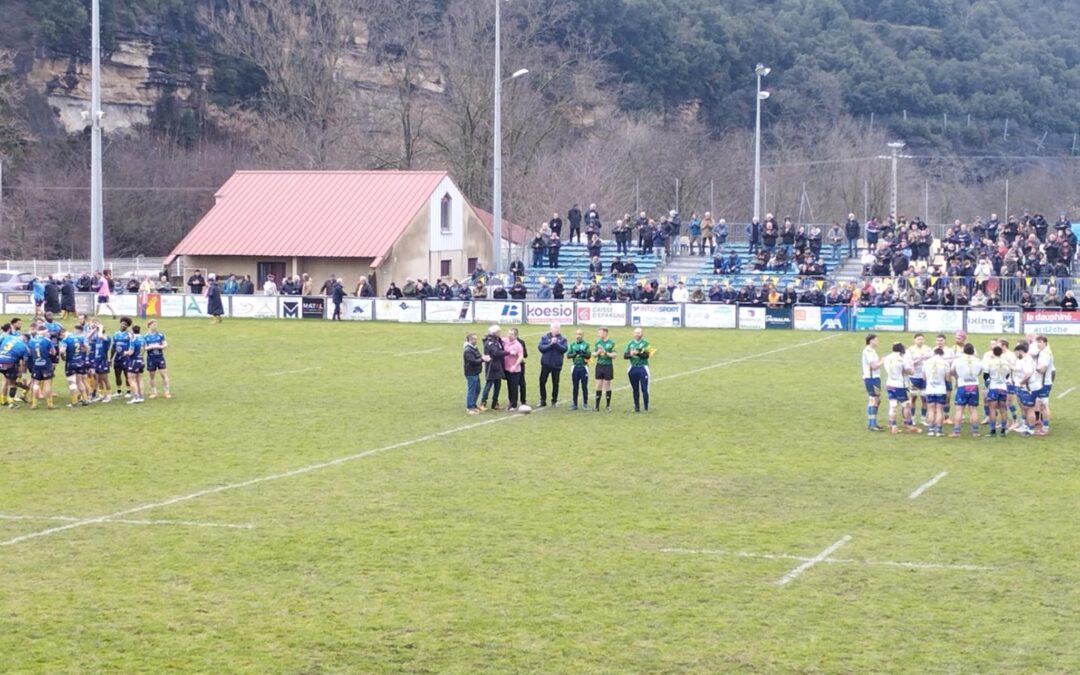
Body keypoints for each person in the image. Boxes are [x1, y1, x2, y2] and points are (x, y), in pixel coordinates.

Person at [882, 342, 920, 434]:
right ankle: (909, 425)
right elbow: (909, 372)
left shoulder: (887, 358)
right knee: (906, 405)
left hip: (889, 383)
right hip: (899, 385)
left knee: (893, 405)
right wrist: (912, 366)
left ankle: (893, 425)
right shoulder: (901, 359)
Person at [950, 343, 982, 437]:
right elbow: (980, 372)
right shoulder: (977, 360)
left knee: (959, 409)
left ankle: (956, 431)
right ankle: (975, 431)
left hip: (962, 385)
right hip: (973, 385)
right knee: (973, 409)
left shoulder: (958, 360)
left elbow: (952, 371)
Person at [537, 322, 568, 407]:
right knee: (542, 381)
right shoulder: (544, 337)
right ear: (550, 329)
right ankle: (543, 400)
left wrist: (556, 343)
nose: (556, 330)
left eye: (557, 328)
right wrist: (550, 344)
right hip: (546, 364)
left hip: (556, 364)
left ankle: (554, 400)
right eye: (554, 328)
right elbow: (541, 348)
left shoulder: (563, 339)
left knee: (555, 382)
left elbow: (564, 349)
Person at [59, 324, 90, 407]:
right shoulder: (81, 338)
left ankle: (74, 402)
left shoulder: (66, 340)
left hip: (71, 363)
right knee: (79, 381)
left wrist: (63, 357)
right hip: (80, 362)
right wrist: (82, 353)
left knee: (72, 382)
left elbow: (62, 351)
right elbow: (86, 348)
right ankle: (85, 399)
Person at [27, 326, 57, 409]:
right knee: (47, 383)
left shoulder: (32, 340)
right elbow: (53, 352)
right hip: (46, 364)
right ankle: (49, 404)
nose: (47, 333)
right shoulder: (47, 340)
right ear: (43, 332)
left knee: (36, 384)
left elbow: (29, 352)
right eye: (46, 332)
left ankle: (34, 404)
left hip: (36, 364)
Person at [624, 327, 652, 412]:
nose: (637, 334)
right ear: (633, 334)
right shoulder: (630, 343)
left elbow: (647, 355)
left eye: (639, 333)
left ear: (642, 334)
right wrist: (631, 354)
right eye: (636, 333)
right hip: (633, 368)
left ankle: (646, 407)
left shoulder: (646, 343)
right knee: (635, 389)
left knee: (644, 388)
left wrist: (638, 353)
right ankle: (636, 407)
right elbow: (625, 356)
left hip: (643, 368)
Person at [984, 345, 1010, 437]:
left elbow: (986, 376)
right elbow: (1007, 375)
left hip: (994, 387)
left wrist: (989, 382)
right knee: (1003, 409)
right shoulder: (1005, 363)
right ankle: (1003, 430)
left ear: (993, 353)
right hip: (1003, 387)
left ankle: (992, 430)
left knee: (992, 409)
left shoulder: (990, 363)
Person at [479, 325, 506, 411]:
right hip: (491, 365)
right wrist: (508, 352)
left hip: (497, 364)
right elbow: (496, 352)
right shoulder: (490, 342)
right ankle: (483, 402)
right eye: (499, 332)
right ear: (495, 333)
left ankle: (495, 403)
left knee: (498, 384)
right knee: (489, 383)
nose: (500, 333)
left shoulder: (496, 340)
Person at [142, 319, 171, 400]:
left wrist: (159, 346)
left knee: (163, 374)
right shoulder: (145, 336)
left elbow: (165, 344)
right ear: (149, 326)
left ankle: (166, 391)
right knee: (152, 376)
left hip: (160, 357)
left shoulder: (160, 335)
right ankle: (153, 392)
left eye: (156, 325)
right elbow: (144, 348)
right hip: (151, 358)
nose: (155, 326)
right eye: (154, 325)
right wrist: (150, 347)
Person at [923, 347, 948, 437]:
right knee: (939, 410)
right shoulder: (945, 363)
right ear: (942, 354)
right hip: (941, 389)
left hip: (930, 389)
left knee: (930, 410)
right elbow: (947, 377)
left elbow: (924, 377)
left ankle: (930, 429)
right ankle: (938, 430)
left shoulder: (926, 362)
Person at [862, 333, 884, 431]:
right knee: (874, 400)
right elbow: (874, 366)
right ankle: (872, 424)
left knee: (876, 399)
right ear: (871, 341)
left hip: (874, 378)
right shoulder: (869, 351)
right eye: (876, 340)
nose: (877, 341)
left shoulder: (871, 350)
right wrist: (882, 361)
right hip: (872, 378)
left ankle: (872, 422)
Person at [1033, 335, 1054, 434]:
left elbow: (1043, 369)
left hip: (1044, 383)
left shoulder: (1045, 354)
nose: (1038, 344)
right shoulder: (1041, 352)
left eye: (1040, 342)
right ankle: (1043, 425)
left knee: (1044, 406)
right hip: (1040, 383)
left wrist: (1034, 369)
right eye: (1037, 342)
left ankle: (1045, 428)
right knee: (1041, 405)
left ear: (1045, 343)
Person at [566, 329, 591, 411]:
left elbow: (588, 355)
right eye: (577, 334)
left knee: (584, 386)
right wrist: (575, 354)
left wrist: (582, 353)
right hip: (575, 367)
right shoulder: (572, 344)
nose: (578, 336)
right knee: (575, 386)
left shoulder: (586, 344)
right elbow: (568, 355)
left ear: (582, 335)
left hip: (583, 367)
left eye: (580, 334)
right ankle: (575, 403)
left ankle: (585, 403)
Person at [592, 326, 616, 411]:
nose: (598, 334)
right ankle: (596, 406)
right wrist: (598, 352)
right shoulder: (597, 343)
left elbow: (614, 355)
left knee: (607, 384)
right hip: (599, 365)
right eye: (598, 333)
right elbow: (594, 354)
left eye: (600, 332)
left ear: (605, 333)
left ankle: (608, 406)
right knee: (598, 385)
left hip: (608, 366)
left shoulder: (611, 343)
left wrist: (605, 352)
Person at [502, 328, 525, 411]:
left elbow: (521, 356)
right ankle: (510, 402)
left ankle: (513, 404)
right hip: (506, 368)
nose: (509, 335)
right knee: (509, 386)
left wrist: (515, 365)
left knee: (513, 387)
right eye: (509, 333)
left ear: (515, 335)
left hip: (514, 370)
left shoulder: (518, 345)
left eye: (511, 334)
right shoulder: (505, 341)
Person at [463, 332, 486, 414]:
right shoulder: (468, 350)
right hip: (471, 372)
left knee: (477, 389)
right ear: (470, 339)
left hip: (475, 372)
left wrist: (482, 357)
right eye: (474, 339)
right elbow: (473, 361)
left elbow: (478, 356)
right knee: (472, 390)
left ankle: (473, 404)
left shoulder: (473, 348)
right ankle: (469, 407)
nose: (476, 340)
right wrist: (483, 359)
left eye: (476, 339)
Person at [124, 324, 146, 404]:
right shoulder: (142, 338)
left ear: (133, 331)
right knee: (139, 379)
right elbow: (144, 349)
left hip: (133, 361)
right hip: (141, 360)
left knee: (131, 379)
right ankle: (141, 396)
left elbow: (131, 352)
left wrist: (125, 353)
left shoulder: (133, 339)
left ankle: (135, 397)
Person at [111, 318, 132, 399]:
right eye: (122, 324)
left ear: (127, 326)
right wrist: (110, 358)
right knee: (117, 374)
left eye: (125, 324)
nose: (123, 325)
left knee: (127, 375)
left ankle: (129, 391)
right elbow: (113, 347)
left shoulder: (129, 334)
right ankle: (119, 391)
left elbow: (132, 345)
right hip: (117, 357)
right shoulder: (116, 334)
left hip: (126, 357)